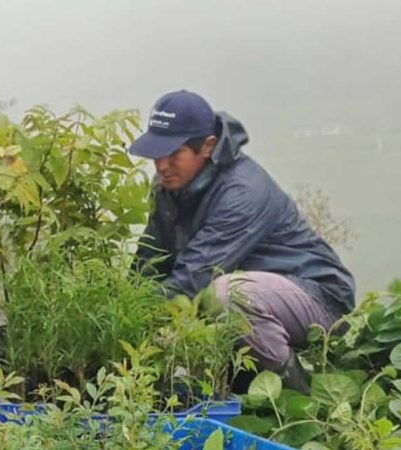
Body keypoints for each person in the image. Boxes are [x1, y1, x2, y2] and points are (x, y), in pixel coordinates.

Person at [129, 90, 355, 393]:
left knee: (228, 294)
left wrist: (133, 326)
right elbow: (148, 263)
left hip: (318, 300)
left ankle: (301, 400)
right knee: (204, 311)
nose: (162, 165)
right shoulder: (168, 189)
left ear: (207, 146)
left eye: (174, 154)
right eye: (157, 154)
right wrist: (120, 312)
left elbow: (192, 279)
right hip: (257, 304)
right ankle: (241, 398)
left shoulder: (242, 192)